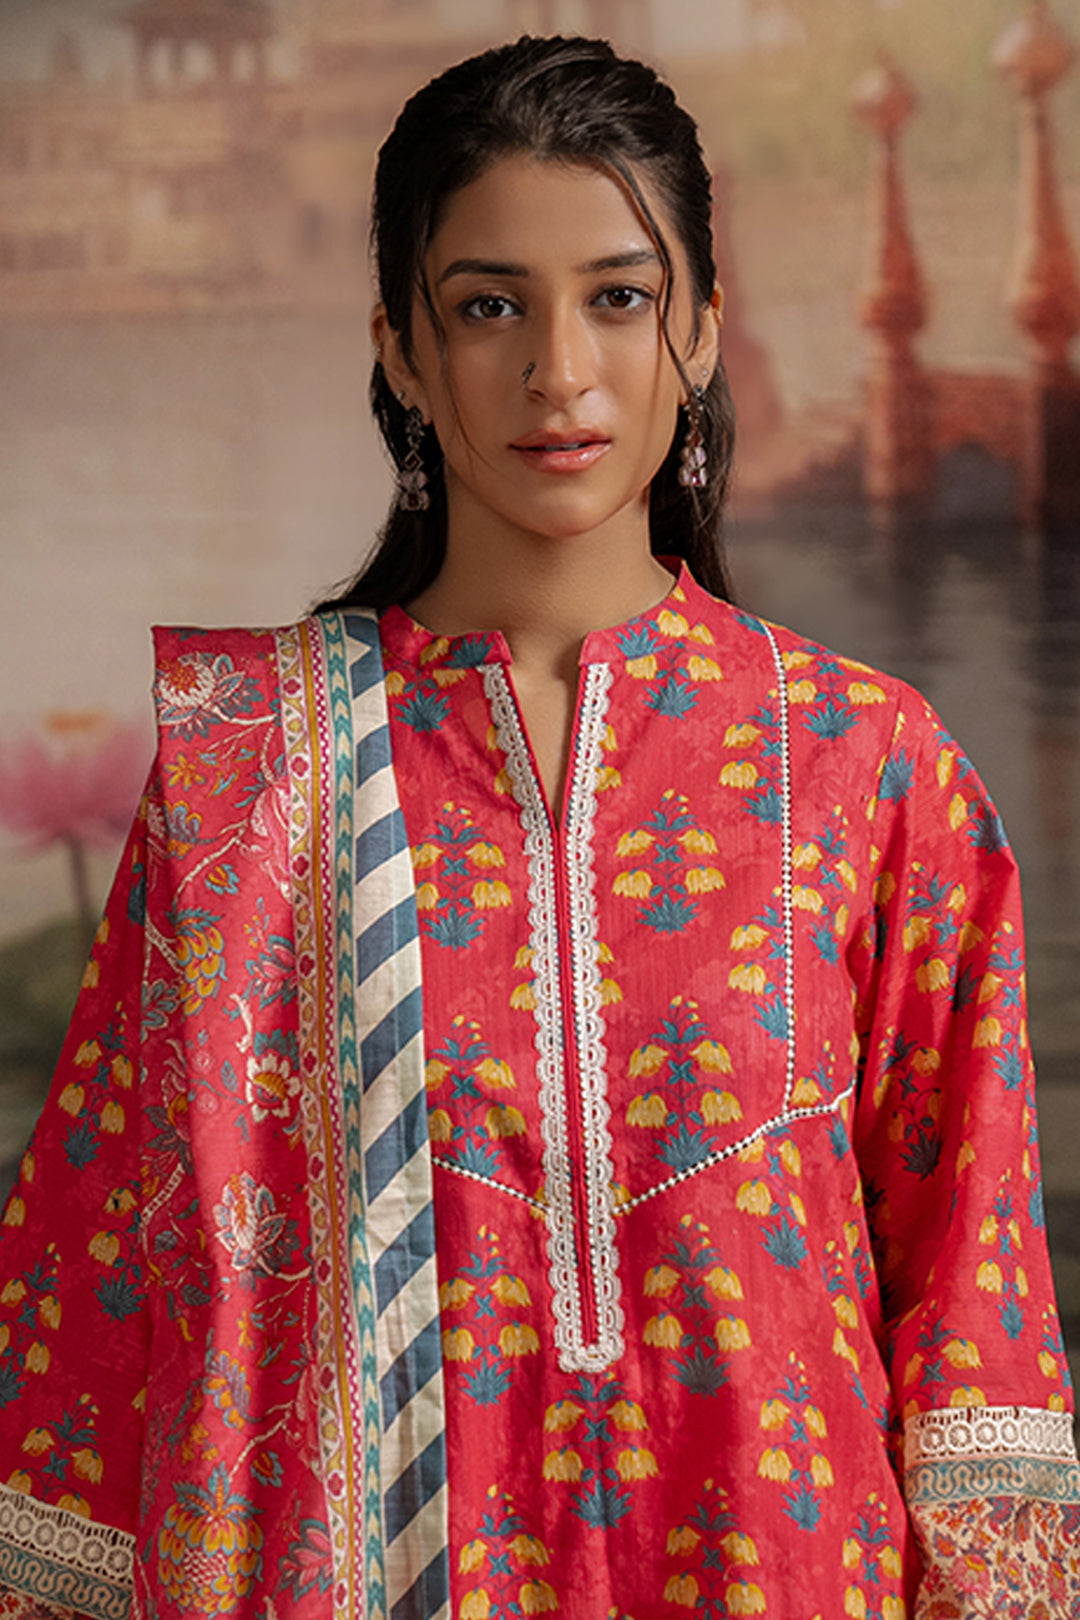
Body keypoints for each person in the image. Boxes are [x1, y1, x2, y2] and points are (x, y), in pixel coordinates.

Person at [0, 33, 1075, 1620]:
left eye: (618, 299)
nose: (559, 371)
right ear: (402, 348)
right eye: (491, 306)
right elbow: (89, 1301)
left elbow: (976, 1302)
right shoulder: (255, 779)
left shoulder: (869, 764)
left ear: (701, 328)